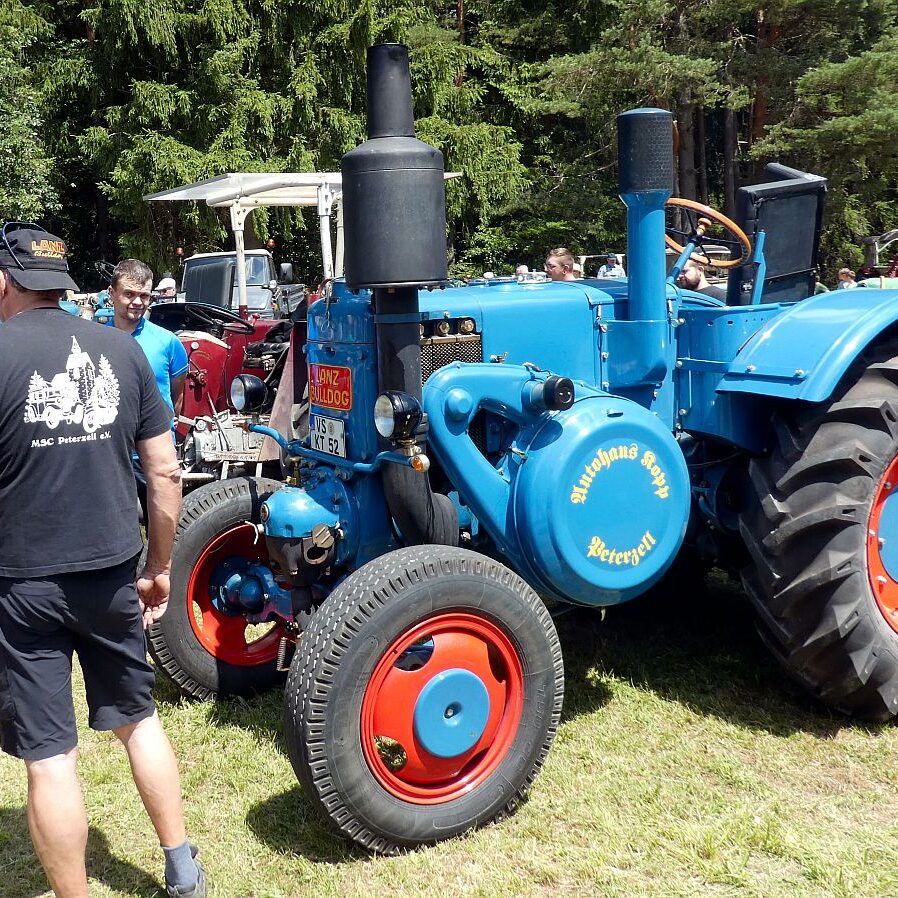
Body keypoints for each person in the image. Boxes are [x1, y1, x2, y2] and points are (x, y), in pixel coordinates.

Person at [0, 223, 205, 897]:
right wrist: (161, 565)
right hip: (113, 571)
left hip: (22, 585)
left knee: (51, 758)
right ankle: (181, 866)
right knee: (137, 720)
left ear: (6, 281)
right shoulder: (124, 351)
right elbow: (166, 474)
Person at [107, 260, 189, 527]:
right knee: (115, 526)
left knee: (163, 525)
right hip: (110, 449)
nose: (138, 302)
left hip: (153, 452)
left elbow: (177, 394)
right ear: (112, 294)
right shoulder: (96, 340)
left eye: (144, 295)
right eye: (129, 294)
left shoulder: (167, 342)